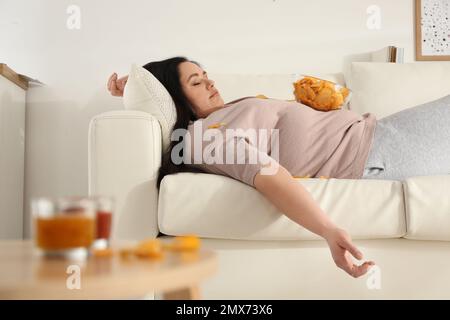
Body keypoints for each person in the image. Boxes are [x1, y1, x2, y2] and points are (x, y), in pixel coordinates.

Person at [108, 57, 380, 278]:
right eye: (196, 82)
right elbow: (268, 174)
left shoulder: (219, 116)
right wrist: (328, 230)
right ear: (177, 98)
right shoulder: (202, 137)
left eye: (205, 75)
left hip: (371, 133)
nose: (210, 82)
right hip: (369, 151)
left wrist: (134, 85)